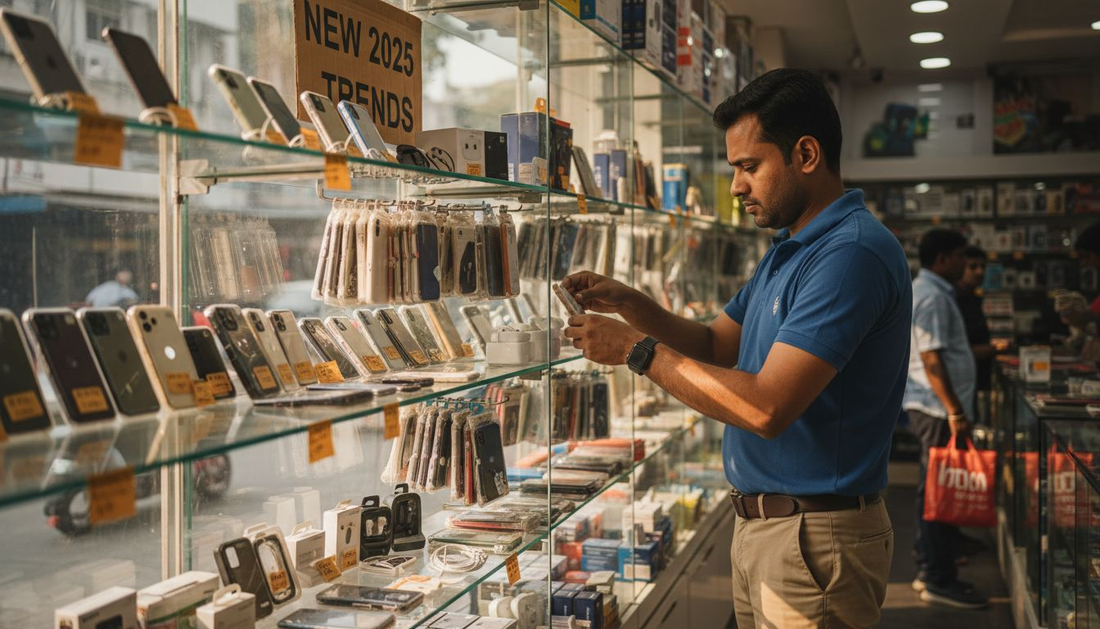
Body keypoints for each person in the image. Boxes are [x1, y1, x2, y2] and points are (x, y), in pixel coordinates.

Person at [561, 68, 912, 628]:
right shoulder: (789, 249)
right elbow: (716, 345)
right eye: (734, 169)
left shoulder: (850, 255)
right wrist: (632, 304)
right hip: (768, 530)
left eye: (750, 167)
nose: (737, 186)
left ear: (805, 154)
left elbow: (765, 408)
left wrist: (637, 350)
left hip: (813, 538)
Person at [904, 229, 987, 609]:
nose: (963, 262)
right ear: (941, 259)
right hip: (937, 409)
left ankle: (935, 569)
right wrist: (954, 409)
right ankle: (937, 576)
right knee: (938, 490)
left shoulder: (934, 292)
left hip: (936, 407)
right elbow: (932, 359)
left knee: (937, 488)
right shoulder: (933, 296)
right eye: (958, 256)